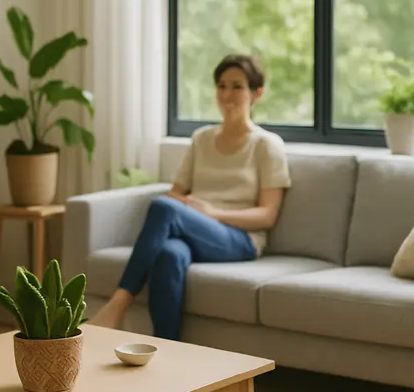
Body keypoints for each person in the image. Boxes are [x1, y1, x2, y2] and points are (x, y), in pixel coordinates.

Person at [89, 54, 292, 340]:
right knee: (169, 254)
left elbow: (267, 215)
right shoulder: (201, 139)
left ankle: (119, 303)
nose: (227, 94)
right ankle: (166, 350)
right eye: (221, 86)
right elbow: (176, 192)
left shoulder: (266, 145)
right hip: (196, 232)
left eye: (237, 86)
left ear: (256, 93)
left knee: (163, 207)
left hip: (240, 239)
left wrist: (212, 213)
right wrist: (189, 208)